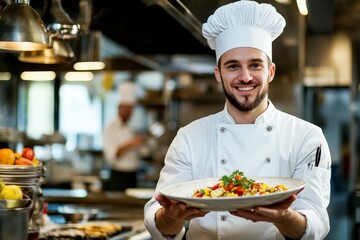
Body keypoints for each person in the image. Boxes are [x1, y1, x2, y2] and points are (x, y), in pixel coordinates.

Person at [144, 1, 331, 239]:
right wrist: (171, 216)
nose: (245, 77)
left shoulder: (306, 137)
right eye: (233, 66)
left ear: (270, 72)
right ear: (218, 74)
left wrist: (282, 217)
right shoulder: (189, 138)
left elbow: (315, 223)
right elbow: (159, 223)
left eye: (255, 65)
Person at [103, 81, 145, 191]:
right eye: (127, 109)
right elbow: (112, 154)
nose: (129, 112)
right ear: (119, 107)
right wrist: (131, 144)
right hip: (119, 176)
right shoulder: (110, 128)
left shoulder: (131, 128)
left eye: (131, 109)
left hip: (133, 175)